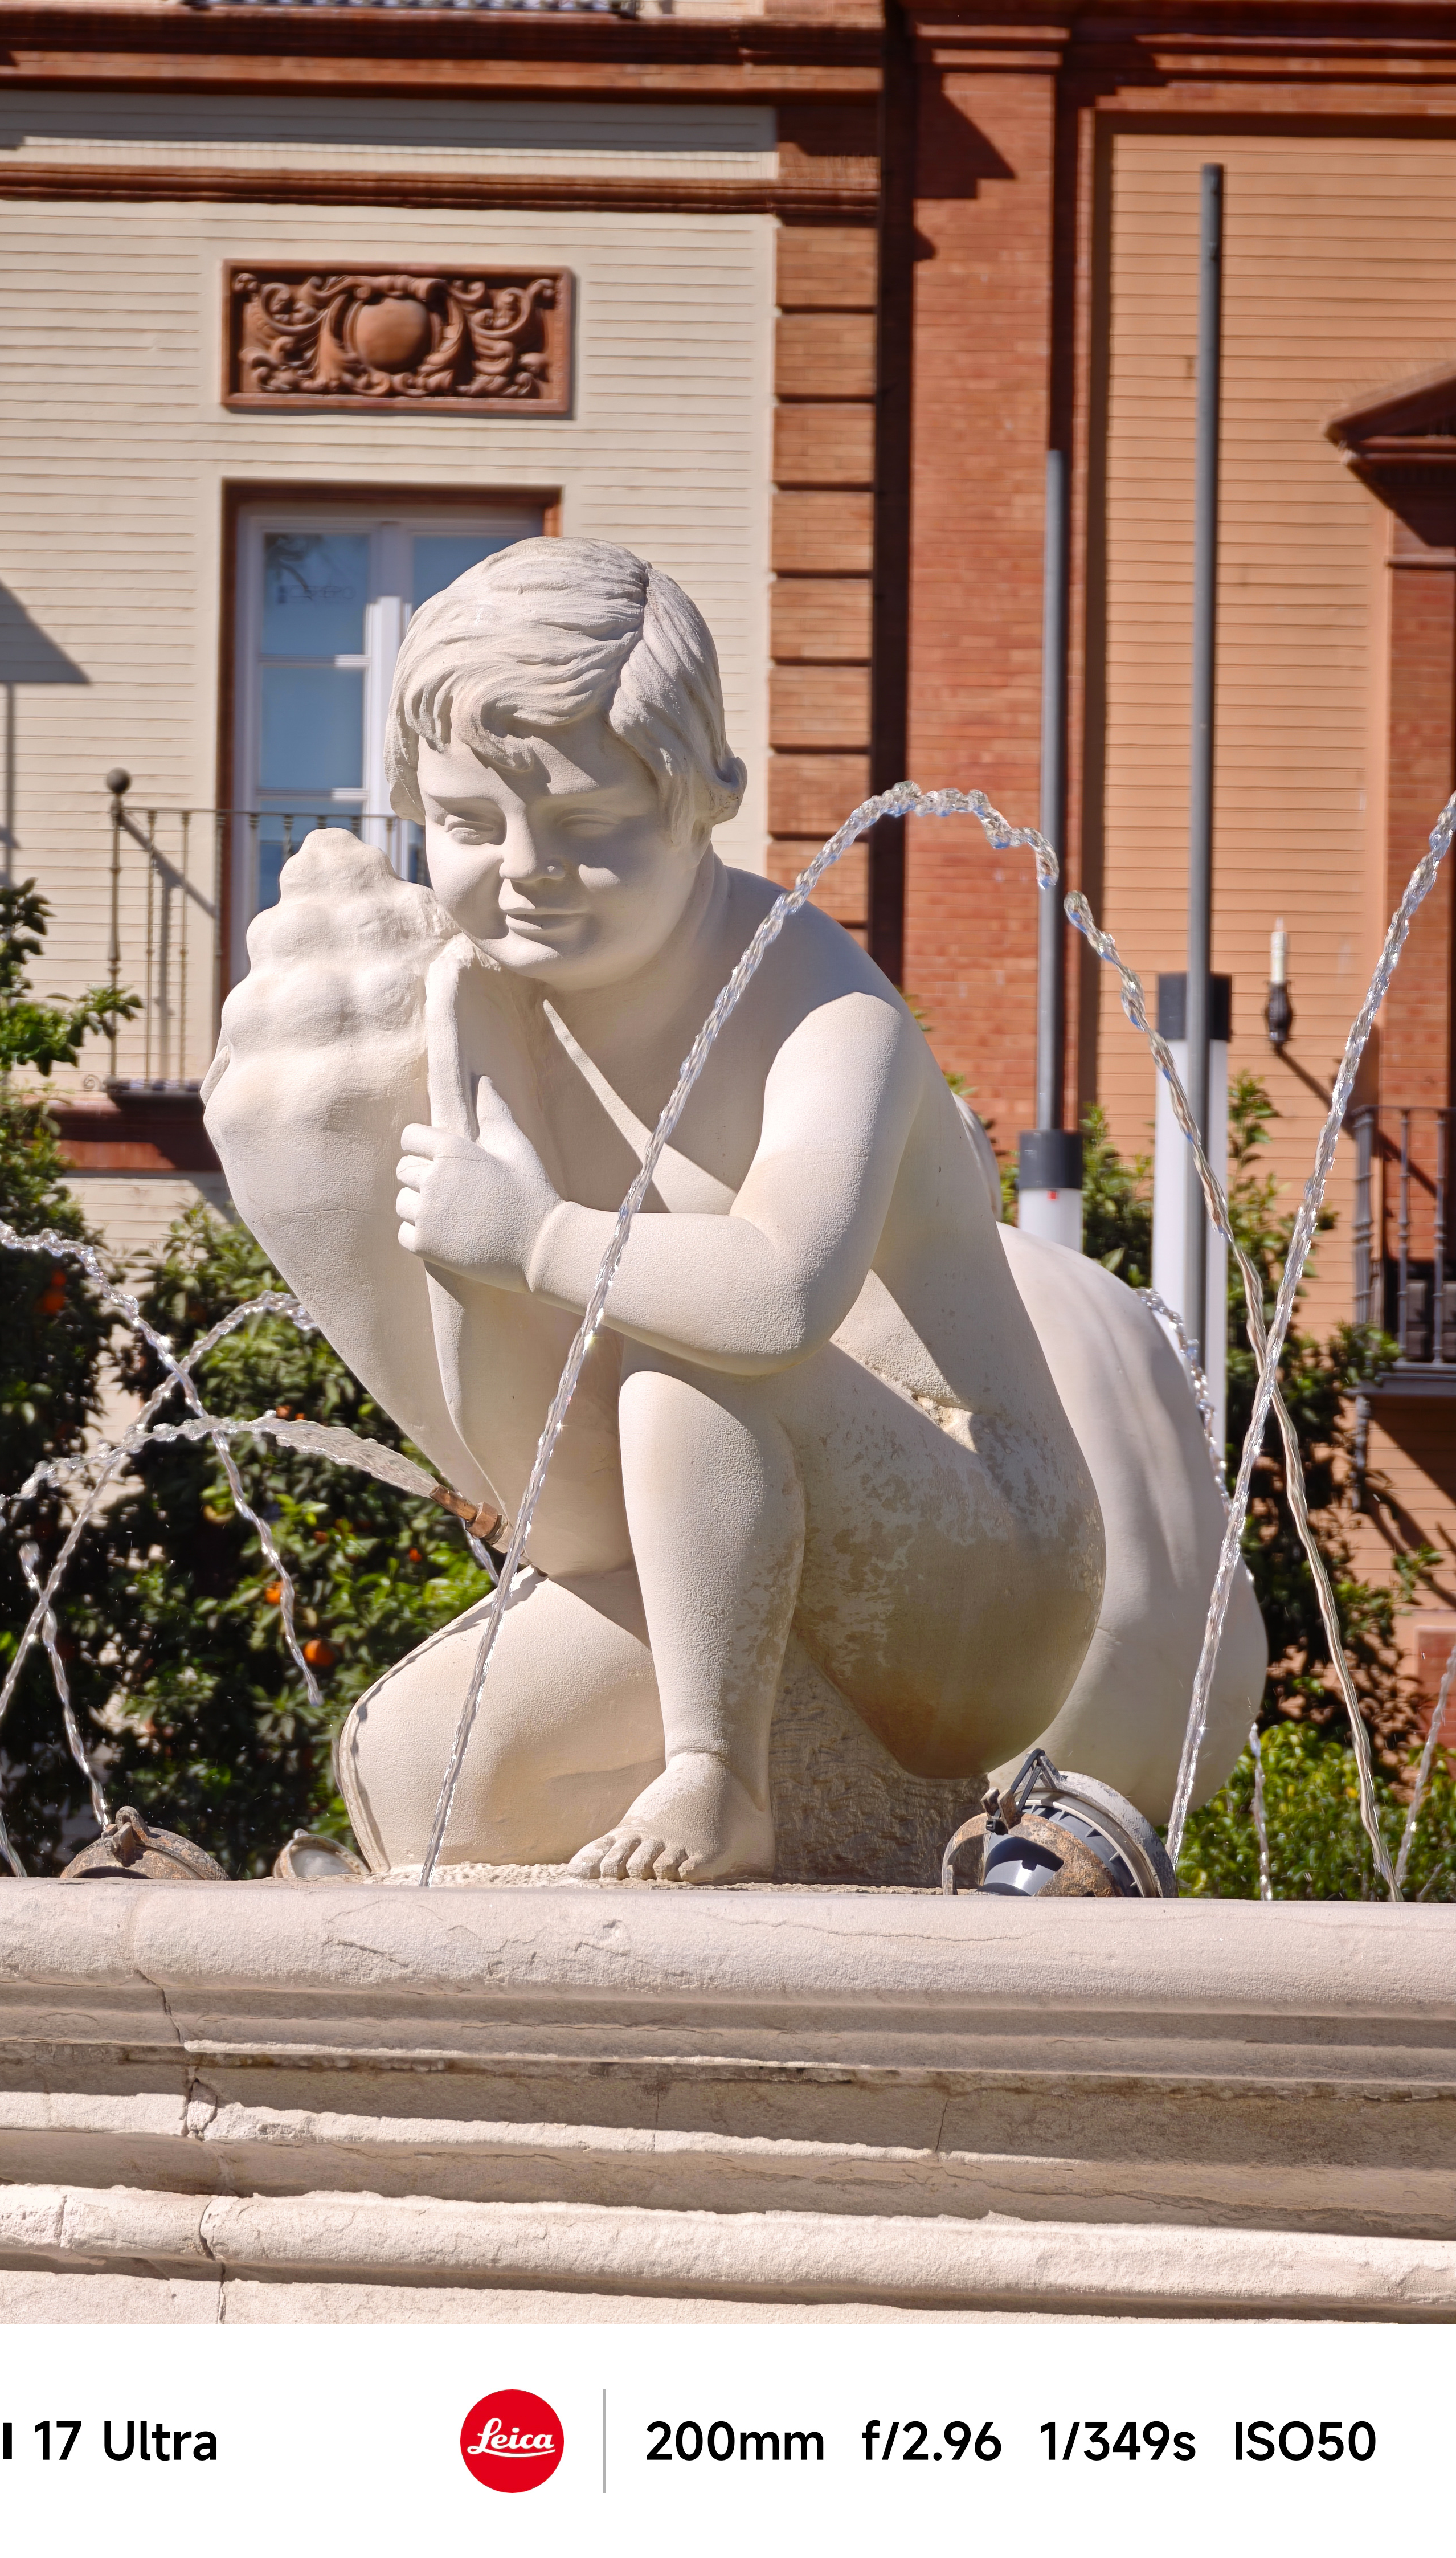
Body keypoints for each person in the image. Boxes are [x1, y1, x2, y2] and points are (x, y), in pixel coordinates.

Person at [375, 536, 1105, 1881]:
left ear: (707, 799)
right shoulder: (488, 998)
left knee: (691, 1342)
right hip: (718, 1541)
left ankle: (722, 1775)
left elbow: (773, 1298)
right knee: (422, 1764)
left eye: (588, 827)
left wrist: (529, 1236)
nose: (524, 870)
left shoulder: (828, 1014)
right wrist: (476, 1268)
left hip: (980, 1573)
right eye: (468, 823)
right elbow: (559, 1506)